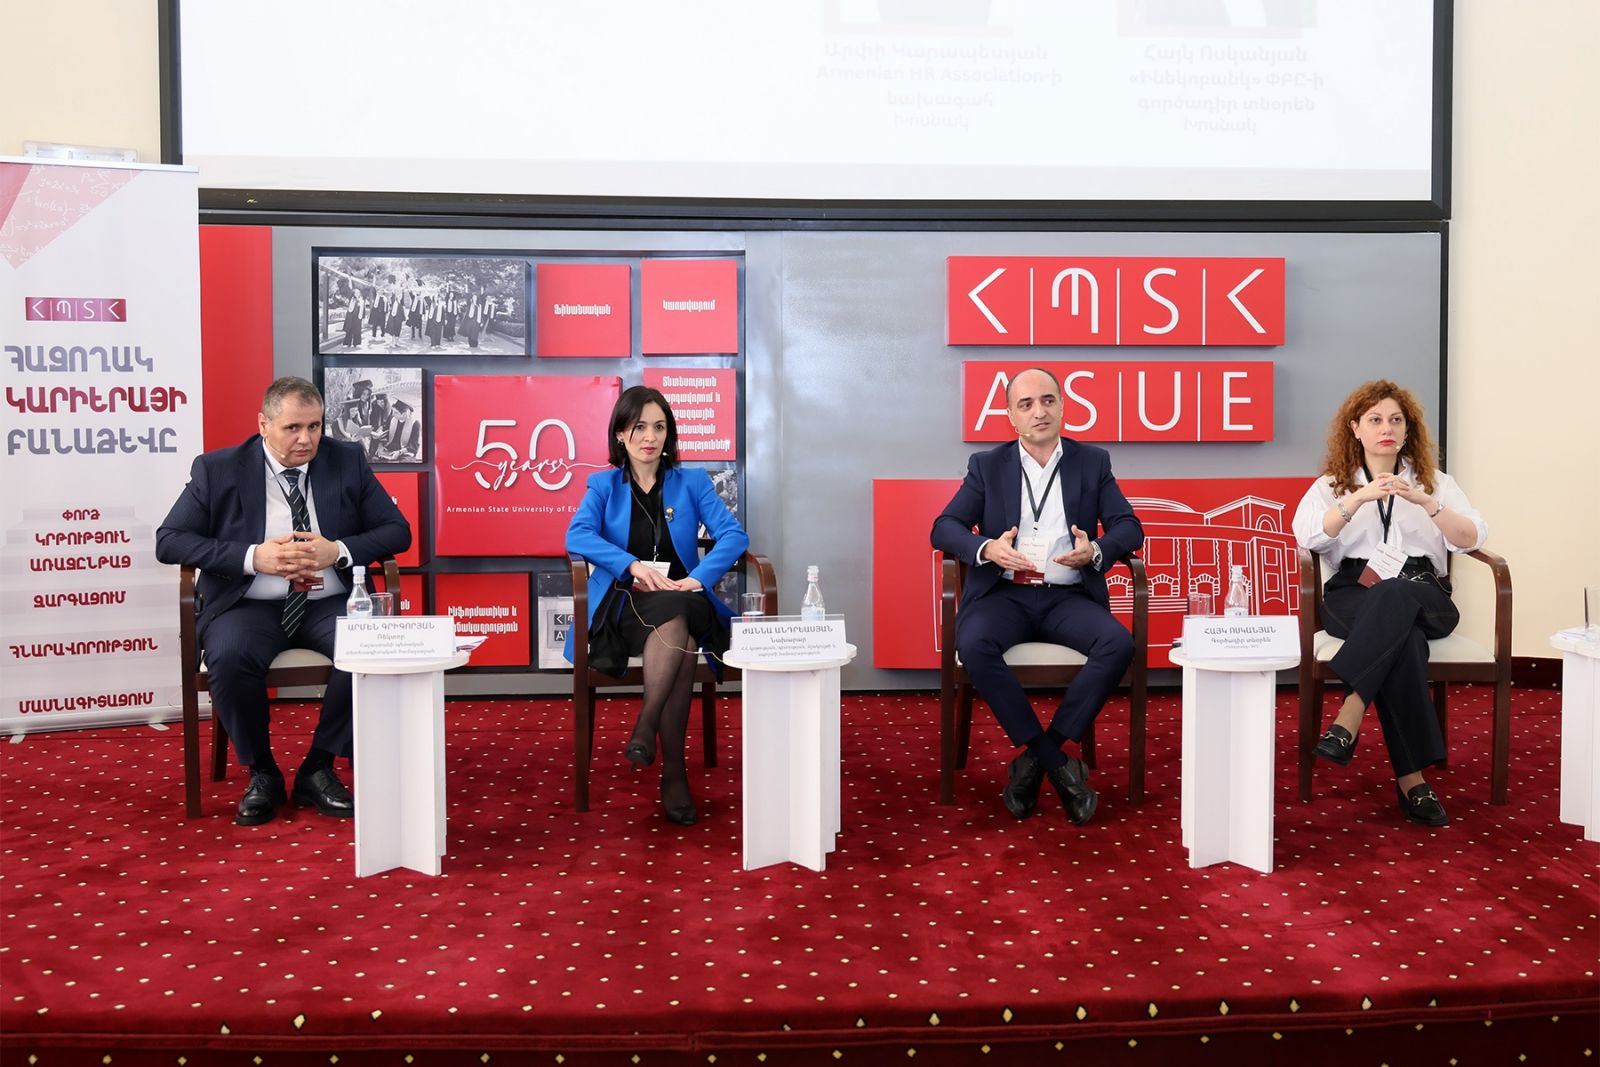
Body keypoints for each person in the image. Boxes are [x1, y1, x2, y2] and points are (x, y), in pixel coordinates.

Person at [156, 377, 411, 827]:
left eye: (315, 427)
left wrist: (338, 550)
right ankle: (263, 772)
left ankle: (318, 766)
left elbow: (397, 531)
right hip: (249, 603)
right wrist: (253, 557)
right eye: (292, 427)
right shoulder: (219, 469)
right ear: (263, 424)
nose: (306, 439)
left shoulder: (346, 460)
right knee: (230, 655)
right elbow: (170, 540)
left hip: (328, 601)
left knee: (369, 646)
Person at [930, 367, 1143, 825]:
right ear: (1011, 417)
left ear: (1063, 406)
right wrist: (987, 549)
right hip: (1004, 595)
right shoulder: (987, 466)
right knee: (974, 644)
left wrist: (1096, 550)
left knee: (1117, 644)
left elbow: (1129, 526)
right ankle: (1059, 763)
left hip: (1068, 597)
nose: (1039, 411)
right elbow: (944, 527)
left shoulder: (1093, 462)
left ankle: (1036, 758)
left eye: (1047, 400)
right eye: (1025, 404)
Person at [1292, 380, 1487, 827]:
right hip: (1353, 591)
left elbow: (1472, 537)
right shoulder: (1332, 485)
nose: (1387, 428)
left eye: (1396, 420)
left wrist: (1427, 503)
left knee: (1395, 592)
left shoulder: (1437, 483)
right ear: (1355, 428)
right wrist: (1359, 498)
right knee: (1405, 642)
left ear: (1407, 430)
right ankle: (1413, 781)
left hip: (1423, 590)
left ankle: (1350, 712)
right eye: (1376, 419)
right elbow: (1308, 536)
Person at [564, 385, 749, 826]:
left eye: (659, 427)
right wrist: (630, 565)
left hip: (684, 595)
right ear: (620, 434)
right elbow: (578, 535)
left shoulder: (693, 482)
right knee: (679, 627)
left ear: (669, 434)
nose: (650, 437)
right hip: (625, 604)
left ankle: (647, 729)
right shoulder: (603, 485)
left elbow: (734, 536)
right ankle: (673, 771)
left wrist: (697, 578)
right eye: (640, 426)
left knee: (679, 611)